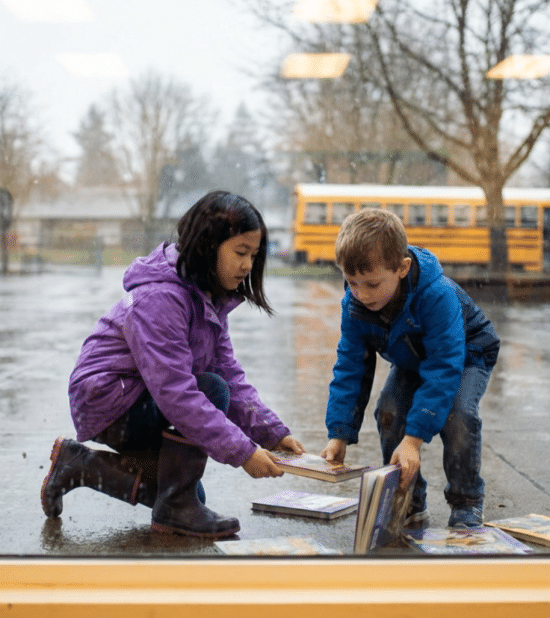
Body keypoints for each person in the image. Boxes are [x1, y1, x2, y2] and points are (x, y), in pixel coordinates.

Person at [41, 190, 303, 538]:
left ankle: (78, 466)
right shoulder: (161, 299)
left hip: (140, 398)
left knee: (185, 490)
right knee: (210, 392)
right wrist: (243, 452)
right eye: (240, 252)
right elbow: (176, 393)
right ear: (209, 246)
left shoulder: (209, 298)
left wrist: (271, 433)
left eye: (253, 255)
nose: (248, 265)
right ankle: (174, 507)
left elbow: (232, 375)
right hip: (109, 401)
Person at [321, 208, 499, 528]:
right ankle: (409, 499)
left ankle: (466, 499)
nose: (361, 294)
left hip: (468, 354)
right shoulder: (355, 304)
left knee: (457, 415)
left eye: (372, 284)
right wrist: (339, 434)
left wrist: (414, 439)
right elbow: (350, 367)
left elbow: (444, 366)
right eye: (352, 283)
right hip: (413, 358)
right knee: (389, 411)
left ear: (402, 268)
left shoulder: (437, 295)